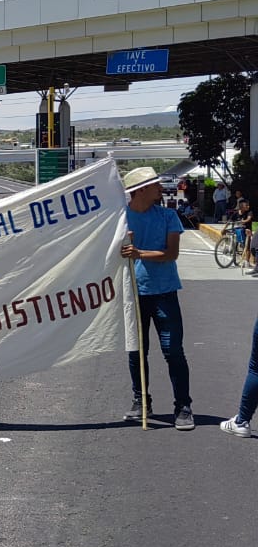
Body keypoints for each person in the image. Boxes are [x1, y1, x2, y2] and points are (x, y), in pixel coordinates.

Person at [121, 166, 193, 430]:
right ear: (140, 190)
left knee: (173, 350)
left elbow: (171, 253)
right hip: (133, 294)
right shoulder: (119, 220)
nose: (160, 188)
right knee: (137, 352)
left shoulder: (167, 216)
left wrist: (139, 253)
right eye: (155, 185)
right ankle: (141, 401)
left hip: (164, 291)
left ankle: (183, 406)